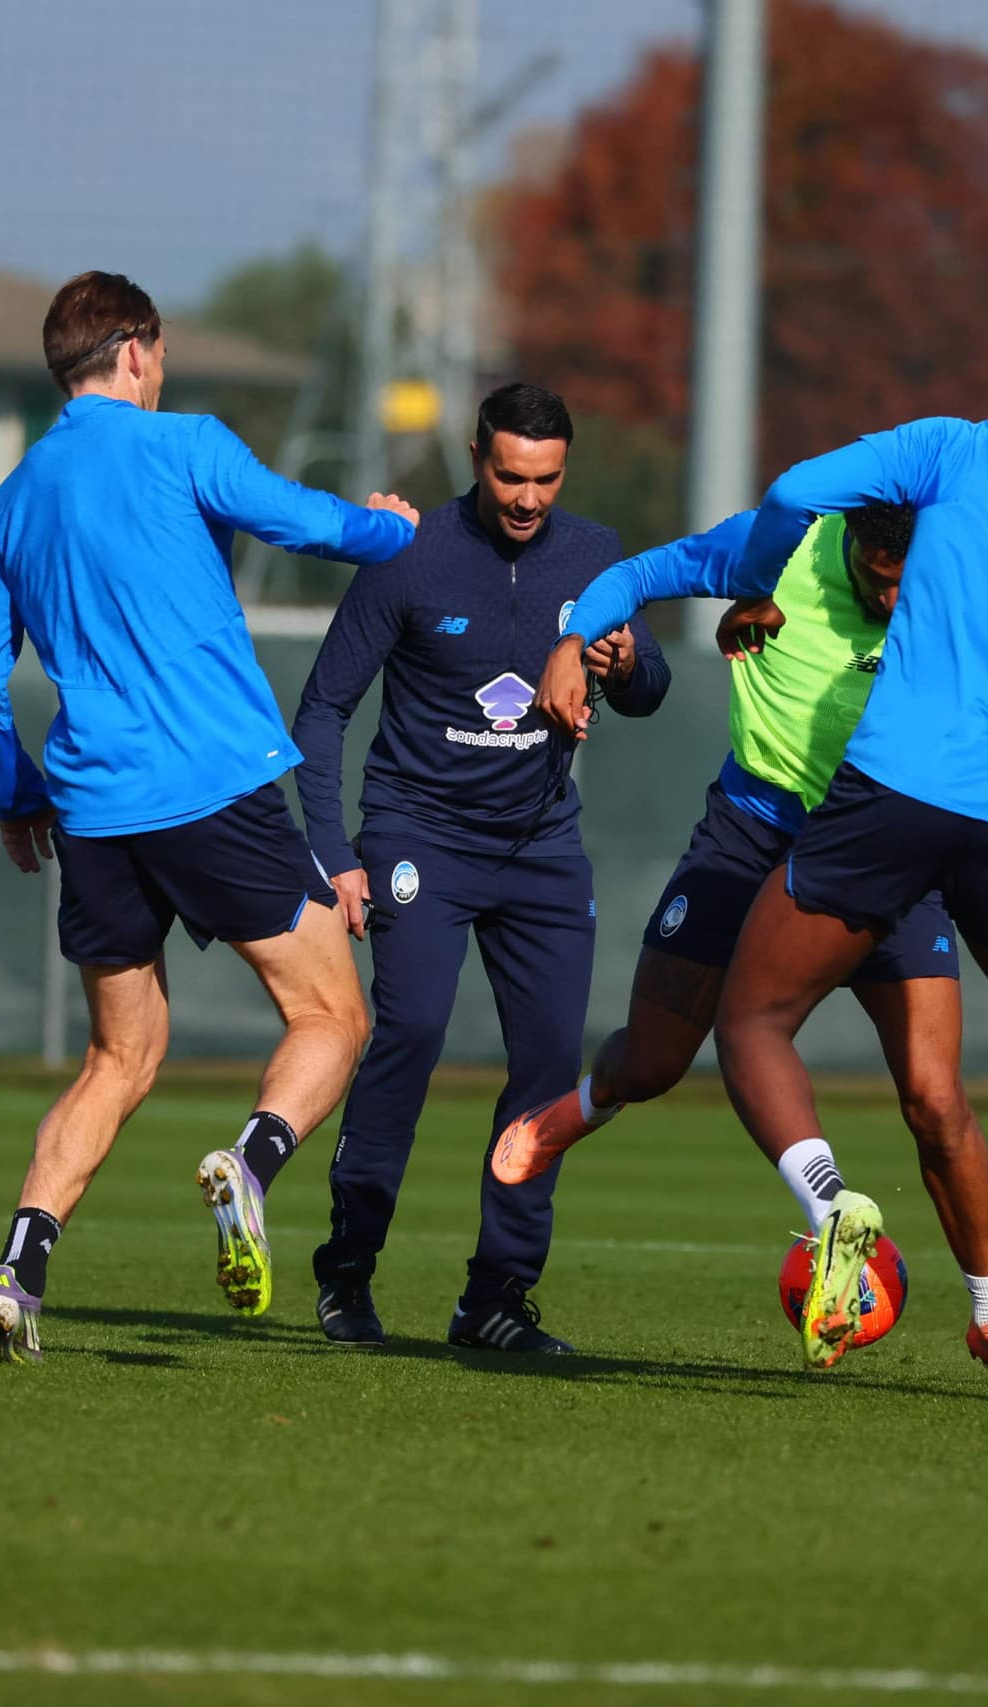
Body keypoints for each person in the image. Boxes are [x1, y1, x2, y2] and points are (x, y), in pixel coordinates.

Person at [0, 270, 418, 1364]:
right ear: (137, 351)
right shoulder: (183, 443)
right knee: (332, 1017)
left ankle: (18, 1273)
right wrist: (387, 530)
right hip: (212, 788)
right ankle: (249, 1166)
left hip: (96, 812)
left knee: (119, 1058)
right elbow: (302, 524)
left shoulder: (9, 501)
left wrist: (15, 793)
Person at [498, 502, 988, 1389]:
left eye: (905, 576)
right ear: (852, 546)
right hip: (751, 832)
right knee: (652, 1060)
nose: (893, 591)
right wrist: (572, 643)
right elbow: (636, 576)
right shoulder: (781, 547)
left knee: (935, 1096)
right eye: (877, 573)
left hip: (885, 849)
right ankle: (583, 1105)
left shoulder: (961, 580)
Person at [698, 316, 988, 1409]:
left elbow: (795, 486)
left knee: (752, 1021)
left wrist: (759, 579)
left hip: (890, 798)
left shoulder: (955, 447)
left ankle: (832, 1204)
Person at [287, 383, 671, 1353]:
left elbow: (650, 688)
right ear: (473, 456)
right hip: (420, 837)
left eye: (545, 478)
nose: (527, 497)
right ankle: (347, 1269)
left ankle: (494, 1298)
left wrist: (624, 666)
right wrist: (332, 852)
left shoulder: (592, 556)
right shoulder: (408, 556)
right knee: (408, 1033)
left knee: (546, 1070)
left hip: (541, 846)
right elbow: (323, 707)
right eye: (509, 474)